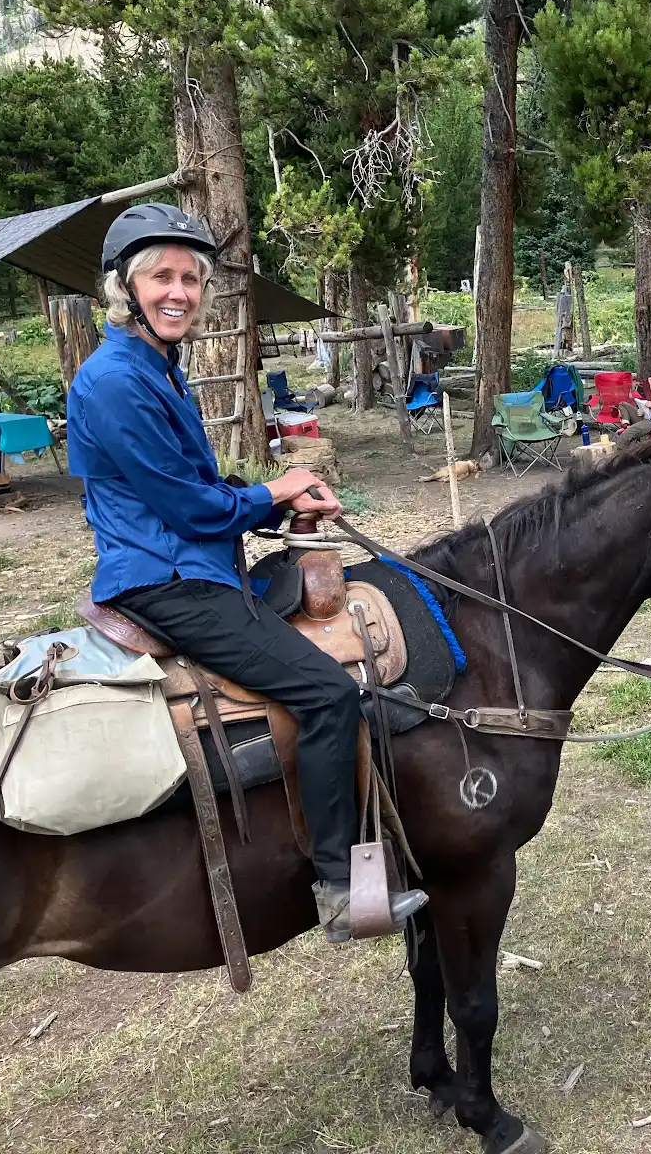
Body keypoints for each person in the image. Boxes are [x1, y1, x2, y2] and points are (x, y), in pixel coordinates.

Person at [67, 203, 428, 939]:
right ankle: (339, 888)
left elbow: (193, 489)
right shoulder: (116, 382)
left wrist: (276, 503)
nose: (179, 292)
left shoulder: (155, 368)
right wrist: (275, 491)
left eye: (191, 279)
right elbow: (188, 507)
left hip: (192, 563)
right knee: (329, 694)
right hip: (168, 581)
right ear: (125, 288)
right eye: (161, 277)